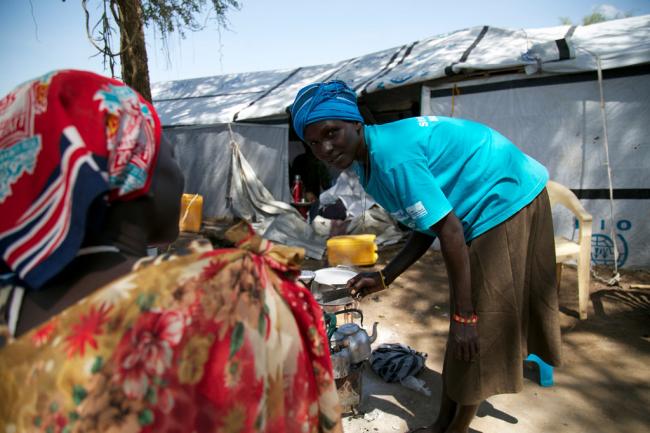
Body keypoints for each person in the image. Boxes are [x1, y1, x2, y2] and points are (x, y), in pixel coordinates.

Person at [0, 70, 342, 433]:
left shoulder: (10, 310)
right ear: (134, 173)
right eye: (170, 156)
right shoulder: (232, 293)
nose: (179, 177)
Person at [290, 80, 561, 433]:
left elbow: (449, 231)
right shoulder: (365, 164)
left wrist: (464, 318)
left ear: (355, 123)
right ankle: (443, 422)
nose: (325, 148)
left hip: (506, 198)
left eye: (331, 132)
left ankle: (454, 429)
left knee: (477, 323)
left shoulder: (392, 158)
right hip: (478, 205)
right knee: (465, 324)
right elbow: (425, 224)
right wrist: (384, 277)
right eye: (314, 142)